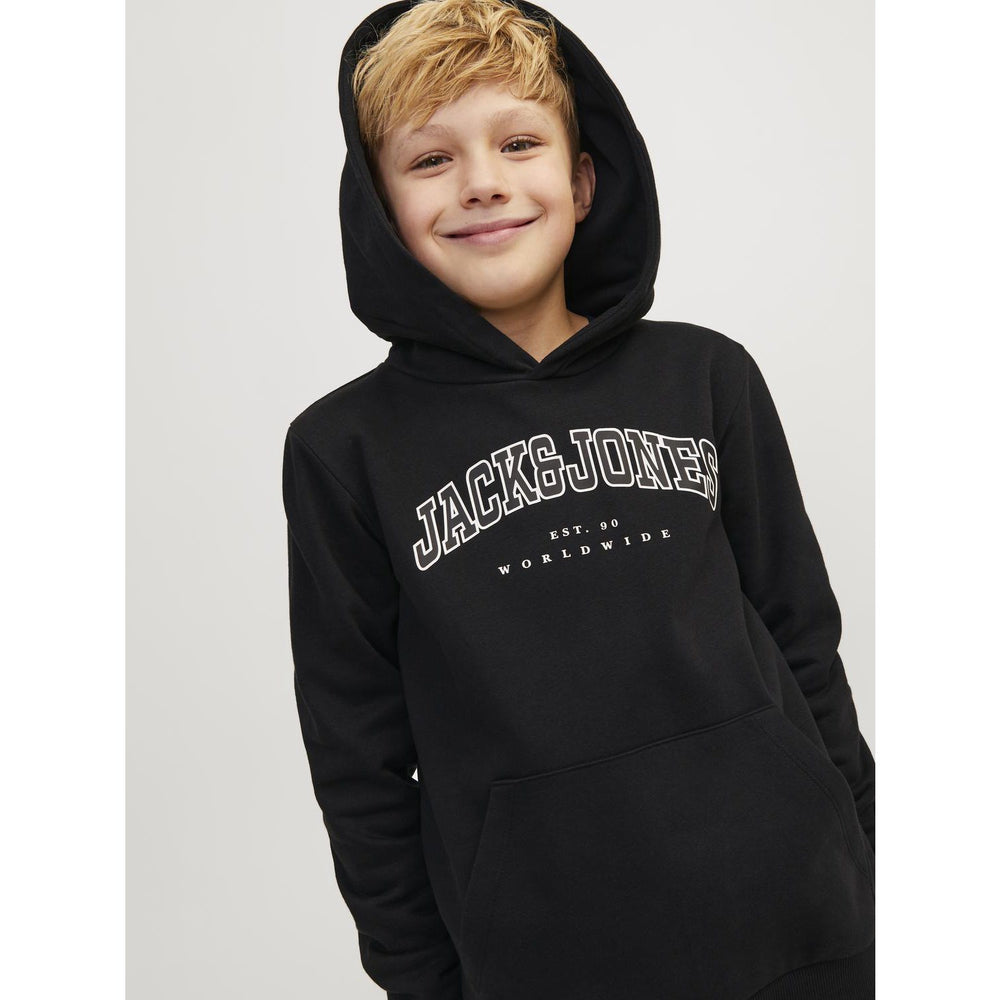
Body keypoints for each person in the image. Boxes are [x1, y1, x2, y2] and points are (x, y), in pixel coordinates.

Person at [281, 1, 876, 997]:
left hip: (802, 917)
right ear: (381, 209)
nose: (483, 182)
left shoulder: (706, 376)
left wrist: (877, 862)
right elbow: (356, 755)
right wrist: (419, 977)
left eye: (519, 143)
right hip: (546, 957)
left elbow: (803, 642)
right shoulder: (343, 450)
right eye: (430, 159)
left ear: (584, 178)